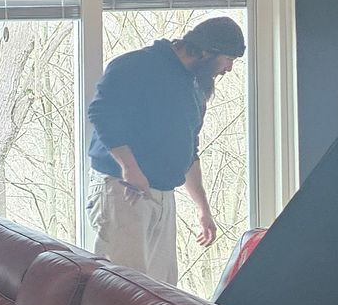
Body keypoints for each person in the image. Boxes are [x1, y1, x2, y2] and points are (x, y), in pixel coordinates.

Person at [84, 15, 245, 284]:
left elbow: (189, 148)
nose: (228, 68)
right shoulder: (136, 66)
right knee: (123, 289)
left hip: (163, 195)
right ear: (206, 51)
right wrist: (130, 168)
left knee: (162, 292)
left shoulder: (194, 86)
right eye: (228, 59)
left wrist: (202, 209)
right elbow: (102, 112)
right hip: (124, 189)